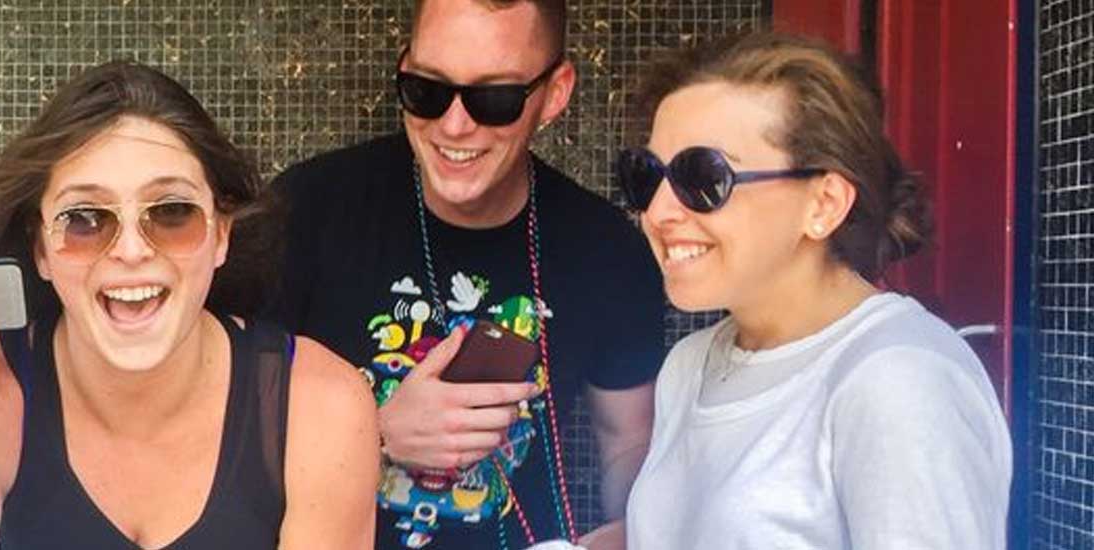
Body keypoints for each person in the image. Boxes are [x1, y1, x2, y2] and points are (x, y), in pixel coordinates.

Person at [0, 60, 381, 549]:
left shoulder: (317, 404)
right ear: (40, 248)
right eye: (84, 220)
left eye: (172, 213)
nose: (131, 250)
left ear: (221, 235)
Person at [270, 0, 664, 548]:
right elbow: (216, 424)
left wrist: (635, 531)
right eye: (427, 91)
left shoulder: (606, 248)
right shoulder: (306, 211)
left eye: (494, 99)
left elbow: (627, 443)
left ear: (555, 93)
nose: (454, 126)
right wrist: (376, 431)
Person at [620, 30, 1011, 549]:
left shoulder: (896, 380)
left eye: (704, 178)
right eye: (647, 176)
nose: (659, 212)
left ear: (824, 204)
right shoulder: (690, 367)